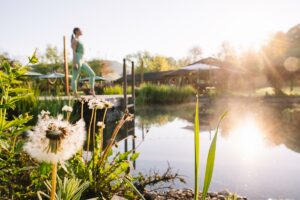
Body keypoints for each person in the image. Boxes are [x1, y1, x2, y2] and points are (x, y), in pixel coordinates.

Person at [71, 27, 95, 96]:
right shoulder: (75, 40)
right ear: (76, 31)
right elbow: (74, 52)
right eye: (80, 30)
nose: (82, 31)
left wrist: (84, 60)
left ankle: (91, 90)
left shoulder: (79, 40)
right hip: (77, 59)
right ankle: (75, 93)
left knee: (92, 74)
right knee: (75, 77)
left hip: (82, 59)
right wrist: (75, 62)